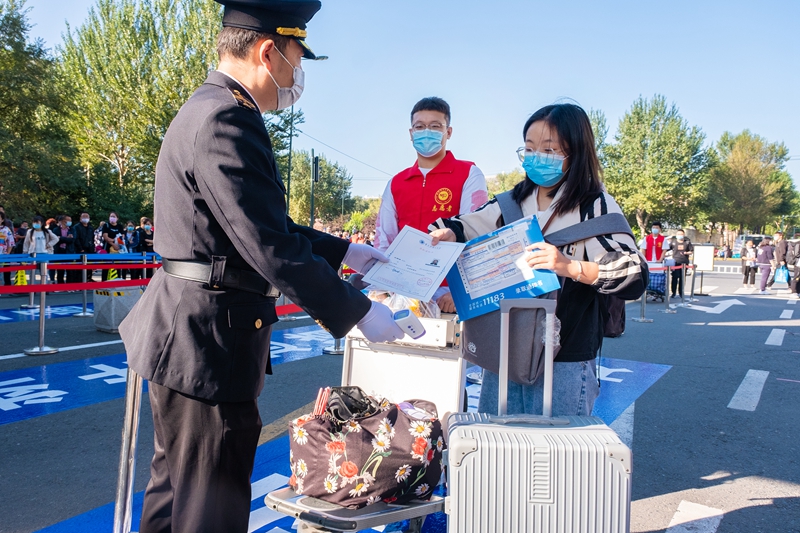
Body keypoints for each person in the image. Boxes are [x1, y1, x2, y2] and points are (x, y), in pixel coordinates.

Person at [118, 2, 404, 531]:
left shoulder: (209, 107)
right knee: (210, 506)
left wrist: (345, 252)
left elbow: (256, 221)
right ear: (269, 52)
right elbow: (267, 243)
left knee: (175, 496)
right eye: (298, 58)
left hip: (188, 334)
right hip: (208, 345)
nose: (298, 76)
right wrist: (360, 311)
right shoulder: (228, 118)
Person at [429, 103, 647, 416]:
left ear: (575, 152)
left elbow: (633, 273)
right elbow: (468, 225)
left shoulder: (594, 205)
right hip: (503, 350)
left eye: (548, 149)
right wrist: (448, 233)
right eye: (529, 149)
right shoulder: (511, 202)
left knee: (555, 444)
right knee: (496, 439)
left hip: (565, 357)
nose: (536, 157)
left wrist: (569, 266)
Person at [374, 96, 489, 313]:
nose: (426, 132)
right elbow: (384, 239)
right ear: (411, 133)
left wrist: (462, 291)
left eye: (435, 126)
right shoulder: (396, 183)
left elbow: (477, 233)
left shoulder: (469, 174)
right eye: (420, 127)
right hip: (403, 295)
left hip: (449, 295)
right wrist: (380, 289)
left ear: (448, 132)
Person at [667, 229, 693, 298]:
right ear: (676, 235)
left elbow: (691, 251)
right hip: (675, 262)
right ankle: (673, 292)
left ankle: (681, 292)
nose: (680, 236)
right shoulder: (673, 242)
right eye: (678, 234)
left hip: (684, 263)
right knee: (674, 277)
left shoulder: (687, 242)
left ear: (684, 235)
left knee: (682, 278)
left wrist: (686, 253)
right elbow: (666, 249)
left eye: (681, 234)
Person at [53, 215, 77, 284]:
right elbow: (56, 240)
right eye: (68, 220)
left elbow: (72, 240)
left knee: (70, 270)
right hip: (59, 251)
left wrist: (61, 238)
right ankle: (60, 285)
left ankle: (69, 285)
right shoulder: (56, 229)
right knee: (60, 270)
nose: (70, 222)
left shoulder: (72, 229)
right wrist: (66, 238)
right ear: (63, 221)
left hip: (69, 251)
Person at [101, 212, 124, 280]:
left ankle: (118, 280)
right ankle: (104, 281)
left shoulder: (120, 226)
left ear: (117, 218)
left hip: (118, 249)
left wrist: (117, 243)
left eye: (114, 216)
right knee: (106, 266)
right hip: (108, 248)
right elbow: (106, 237)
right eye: (111, 216)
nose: (112, 218)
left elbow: (122, 236)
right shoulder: (106, 225)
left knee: (118, 266)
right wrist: (114, 242)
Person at [73, 213, 95, 281]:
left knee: (89, 266)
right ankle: (79, 281)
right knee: (80, 266)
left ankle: (88, 279)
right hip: (80, 249)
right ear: (80, 218)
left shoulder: (90, 228)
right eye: (84, 216)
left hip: (90, 249)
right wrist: (80, 248)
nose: (85, 218)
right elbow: (76, 238)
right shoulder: (76, 227)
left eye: (87, 217)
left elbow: (92, 238)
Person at [0, 210, 15, 287]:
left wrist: (8, 253)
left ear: (2, 220)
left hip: (2, 255)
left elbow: (11, 242)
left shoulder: (6, 230)